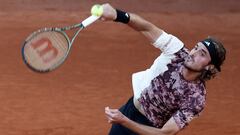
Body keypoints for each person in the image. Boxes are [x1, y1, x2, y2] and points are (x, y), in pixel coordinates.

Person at [101, 3, 226, 135]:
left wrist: (124, 121)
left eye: (202, 54)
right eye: (196, 47)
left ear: (209, 66)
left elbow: (165, 133)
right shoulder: (176, 51)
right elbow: (147, 28)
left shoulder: (195, 98)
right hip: (129, 109)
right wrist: (117, 15)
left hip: (147, 130)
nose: (194, 53)